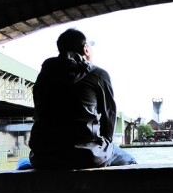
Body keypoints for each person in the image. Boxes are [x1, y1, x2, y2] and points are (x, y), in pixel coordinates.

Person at [28, 28, 136, 169]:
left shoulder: (44, 73)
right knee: (130, 161)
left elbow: (39, 110)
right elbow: (109, 117)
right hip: (86, 155)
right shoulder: (99, 74)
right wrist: (104, 147)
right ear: (85, 49)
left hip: (42, 157)